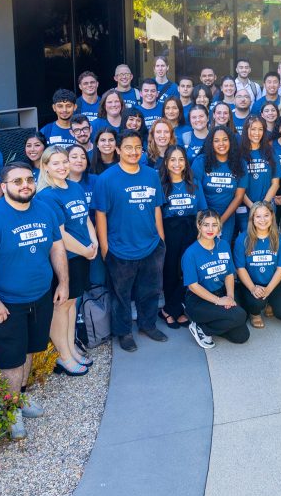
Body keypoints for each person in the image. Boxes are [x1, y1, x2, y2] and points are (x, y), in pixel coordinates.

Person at [0, 163, 67, 440]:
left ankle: (20, 397)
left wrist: (63, 282)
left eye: (29, 179)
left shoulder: (45, 209)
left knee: (31, 349)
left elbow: (57, 247)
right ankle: (10, 411)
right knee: (11, 359)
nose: (25, 185)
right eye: (17, 181)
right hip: (5, 303)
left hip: (39, 297)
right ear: (4, 185)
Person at [94, 129, 168, 353]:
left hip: (150, 246)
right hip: (120, 249)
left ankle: (148, 325)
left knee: (150, 290)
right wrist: (106, 248)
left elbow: (156, 208)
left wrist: (161, 241)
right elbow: (100, 216)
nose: (134, 151)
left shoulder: (151, 175)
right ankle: (124, 333)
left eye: (138, 147)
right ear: (118, 150)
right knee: (121, 296)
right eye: (128, 147)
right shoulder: (106, 179)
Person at [35, 147, 97, 376]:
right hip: (67, 257)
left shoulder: (75, 187)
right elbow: (59, 234)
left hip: (82, 255)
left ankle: (71, 348)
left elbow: (84, 219)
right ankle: (63, 356)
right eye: (56, 163)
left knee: (72, 304)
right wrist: (85, 250)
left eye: (64, 162)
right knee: (61, 307)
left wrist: (94, 243)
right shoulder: (47, 196)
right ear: (46, 167)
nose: (62, 167)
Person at [182, 211, 250, 349]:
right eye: (206, 225)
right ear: (199, 225)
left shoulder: (223, 245)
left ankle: (207, 325)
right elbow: (193, 286)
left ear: (219, 227)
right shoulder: (190, 253)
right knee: (239, 316)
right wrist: (219, 301)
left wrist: (229, 297)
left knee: (242, 336)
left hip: (220, 292)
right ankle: (202, 329)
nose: (210, 229)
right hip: (198, 300)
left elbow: (229, 274)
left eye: (214, 225)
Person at [158, 145, 206, 329]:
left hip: (191, 230)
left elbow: (201, 210)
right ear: (166, 162)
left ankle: (172, 309)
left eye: (180, 159)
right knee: (170, 271)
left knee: (187, 271)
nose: (177, 164)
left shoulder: (194, 184)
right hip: (169, 230)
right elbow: (157, 213)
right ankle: (172, 309)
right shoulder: (161, 184)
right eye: (172, 160)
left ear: (186, 162)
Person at [234, 202, 281, 327]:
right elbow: (240, 268)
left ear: (272, 216)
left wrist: (268, 290)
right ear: (252, 219)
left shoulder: (280, 239)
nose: (262, 220)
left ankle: (269, 301)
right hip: (252, 281)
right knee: (257, 302)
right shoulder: (243, 239)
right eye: (258, 216)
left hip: (274, 281)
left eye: (266, 215)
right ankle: (254, 313)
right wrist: (253, 288)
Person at [240, 116, 279, 232]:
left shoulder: (270, 152)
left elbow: (275, 183)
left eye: (260, 129)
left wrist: (264, 206)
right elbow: (237, 186)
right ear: (246, 130)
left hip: (267, 206)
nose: (257, 133)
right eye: (253, 129)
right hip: (245, 206)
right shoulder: (238, 153)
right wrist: (253, 207)